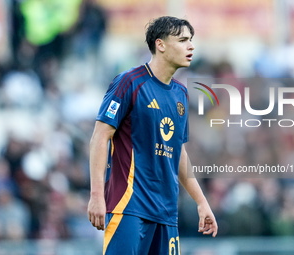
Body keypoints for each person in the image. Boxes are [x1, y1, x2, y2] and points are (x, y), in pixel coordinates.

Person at [87, 16, 218, 255]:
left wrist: (202, 202)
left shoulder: (181, 94)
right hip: (129, 207)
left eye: (191, 40)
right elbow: (100, 137)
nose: (191, 46)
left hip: (166, 212)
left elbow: (178, 152)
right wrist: (96, 195)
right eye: (183, 40)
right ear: (161, 45)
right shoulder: (129, 82)